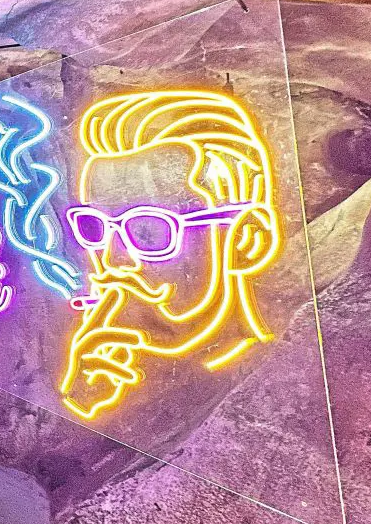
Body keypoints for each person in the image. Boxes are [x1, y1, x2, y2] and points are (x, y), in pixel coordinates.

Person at [59, 91, 282, 421]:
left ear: (248, 238)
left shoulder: (278, 385)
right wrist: (85, 390)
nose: (114, 263)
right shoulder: (115, 366)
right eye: (94, 227)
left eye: (148, 231)